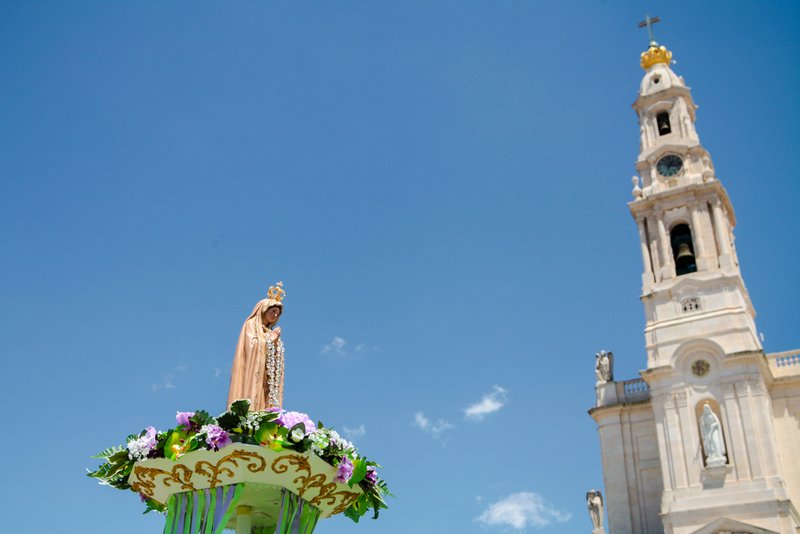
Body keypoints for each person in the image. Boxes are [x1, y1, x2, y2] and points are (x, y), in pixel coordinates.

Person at [227, 282, 286, 411]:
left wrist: (275, 344)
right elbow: (251, 345)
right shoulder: (251, 324)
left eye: (278, 314)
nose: (275, 315)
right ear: (264, 309)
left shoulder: (268, 331)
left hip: (265, 381)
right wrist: (269, 339)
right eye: (273, 311)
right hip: (252, 376)